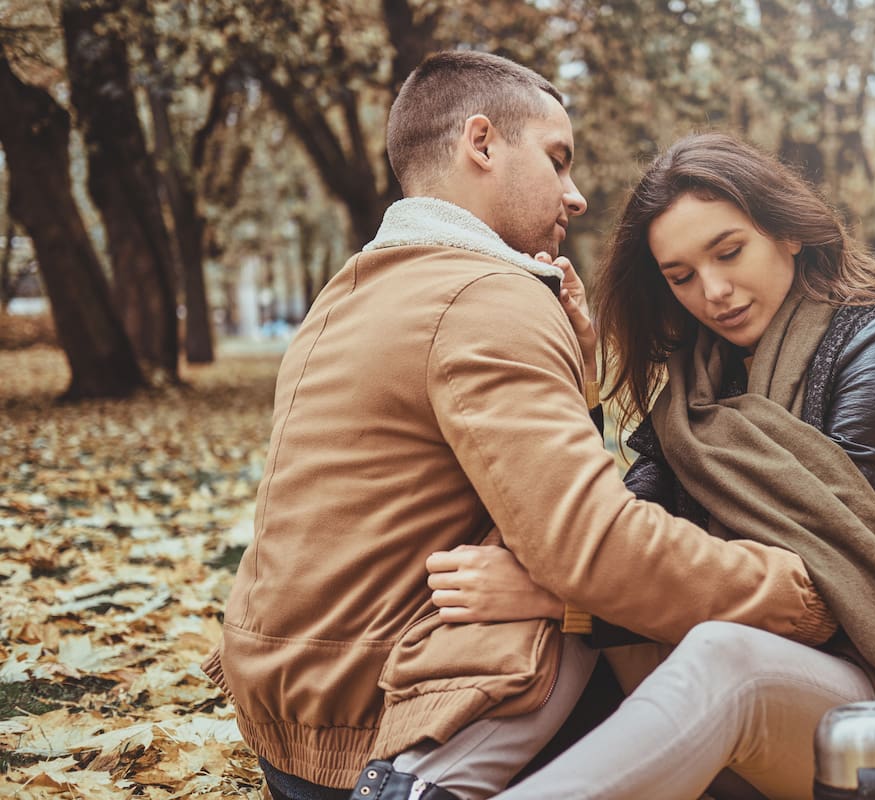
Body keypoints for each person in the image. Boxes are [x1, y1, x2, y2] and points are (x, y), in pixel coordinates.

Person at [201, 54, 837, 800]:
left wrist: (582, 386)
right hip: (399, 732)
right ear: (481, 143)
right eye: (557, 159)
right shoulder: (488, 294)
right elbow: (595, 548)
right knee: (674, 671)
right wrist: (793, 595)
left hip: (292, 724)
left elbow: (542, 499)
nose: (575, 195)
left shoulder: (350, 294)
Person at [427, 133, 875, 799]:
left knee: (714, 656)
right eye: (681, 277)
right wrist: (581, 388)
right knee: (561, 619)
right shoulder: (695, 392)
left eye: (729, 252)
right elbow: (615, 535)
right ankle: (420, 785)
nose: (715, 291)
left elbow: (812, 580)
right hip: (765, 690)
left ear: (788, 232)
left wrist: (567, 597)